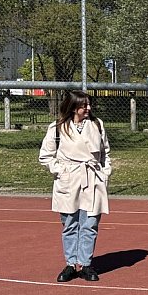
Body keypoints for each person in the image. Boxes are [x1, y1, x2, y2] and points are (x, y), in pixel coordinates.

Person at [39, 90, 111, 282]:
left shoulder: (97, 125)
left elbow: (105, 153)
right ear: (73, 107)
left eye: (89, 104)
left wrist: (105, 173)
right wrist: (61, 171)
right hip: (69, 180)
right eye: (83, 105)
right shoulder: (57, 128)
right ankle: (71, 263)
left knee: (90, 224)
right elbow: (45, 156)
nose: (88, 108)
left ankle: (85, 264)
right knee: (70, 223)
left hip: (92, 179)